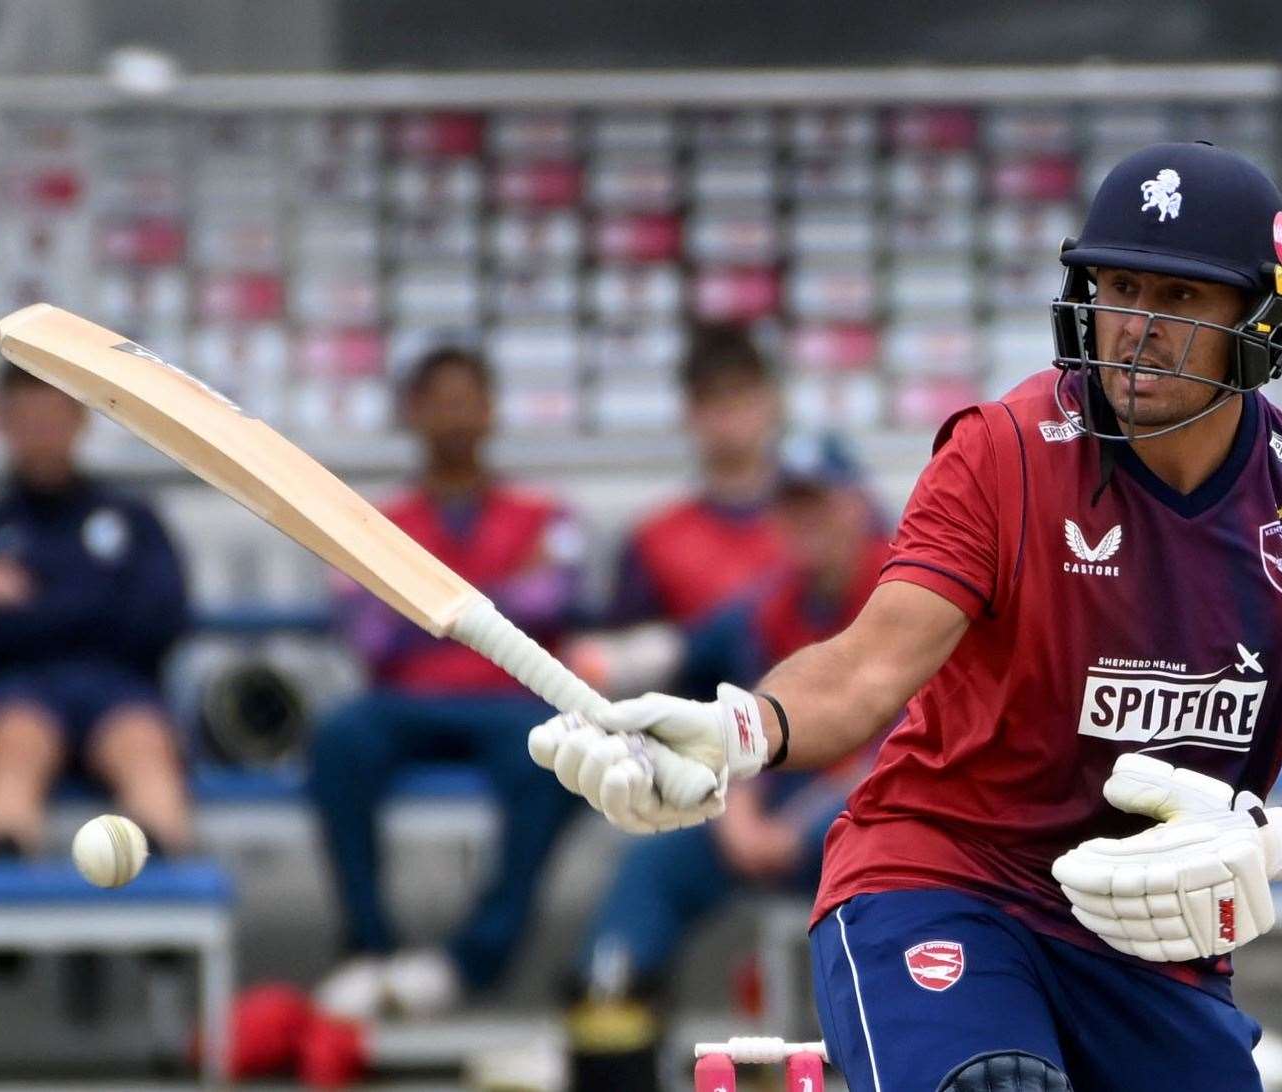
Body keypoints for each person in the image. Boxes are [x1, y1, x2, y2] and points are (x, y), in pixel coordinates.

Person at [530, 143, 1282, 1091]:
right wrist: (735, 730)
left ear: (1260, 321)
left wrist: (1267, 839)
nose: (1136, 328)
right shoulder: (1003, 452)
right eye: (1120, 287)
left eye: (1179, 299)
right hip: (945, 881)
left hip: (1146, 933)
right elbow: (870, 667)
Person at [561, 435, 890, 1089]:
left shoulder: (903, 590)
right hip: (769, 818)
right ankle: (612, 1042)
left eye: (818, 504)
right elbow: (719, 690)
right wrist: (737, 816)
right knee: (652, 866)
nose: (803, 523)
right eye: (789, 508)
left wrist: (792, 827)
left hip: (876, 819)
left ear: (856, 506)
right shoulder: (771, 602)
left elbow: (903, 741)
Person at [309, 346, 588, 1021]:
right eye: (438, 399)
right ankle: (371, 948)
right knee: (339, 738)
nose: (454, 415)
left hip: (508, 700)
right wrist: (498, 596)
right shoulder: (373, 521)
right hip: (403, 702)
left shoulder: (545, 513)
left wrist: (424, 604)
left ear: (491, 410)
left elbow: (560, 596)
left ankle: (472, 958)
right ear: (412, 412)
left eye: (468, 398)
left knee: (564, 755)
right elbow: (363, 630)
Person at [0, 365, 192, 860]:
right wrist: (96, 599)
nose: (40, 434)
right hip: (20, 689)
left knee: (142, 744)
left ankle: (159, 892)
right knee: (15, 741)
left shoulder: (132, 518)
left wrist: (32, 606)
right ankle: (4, 904)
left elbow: (161, 618)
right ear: (3, 424)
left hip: (120, 686)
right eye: (25, 419)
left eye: (51, 417)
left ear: (80, 421)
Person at [605, 323, 790, 628]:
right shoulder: (653, 541)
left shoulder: (834, 518)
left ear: (772, 401)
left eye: (741, 393)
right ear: (688, 411)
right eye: (711, 399)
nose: (728, 413)